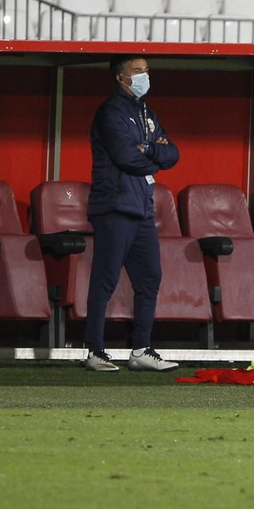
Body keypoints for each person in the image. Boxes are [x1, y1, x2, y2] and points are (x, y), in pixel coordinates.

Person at [84, 56, 180, 374]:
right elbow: (125, 157)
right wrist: (152, 154)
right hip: (114, 206)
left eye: (146, 70)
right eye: (137, 71)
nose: (144, 76)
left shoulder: (146, 112)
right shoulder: (110, 112)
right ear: (120, 77)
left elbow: (172, 154)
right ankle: (94, 351)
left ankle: (140, 350)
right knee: (105, 279)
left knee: (150, 278)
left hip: (141, 208)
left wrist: (148, 149)